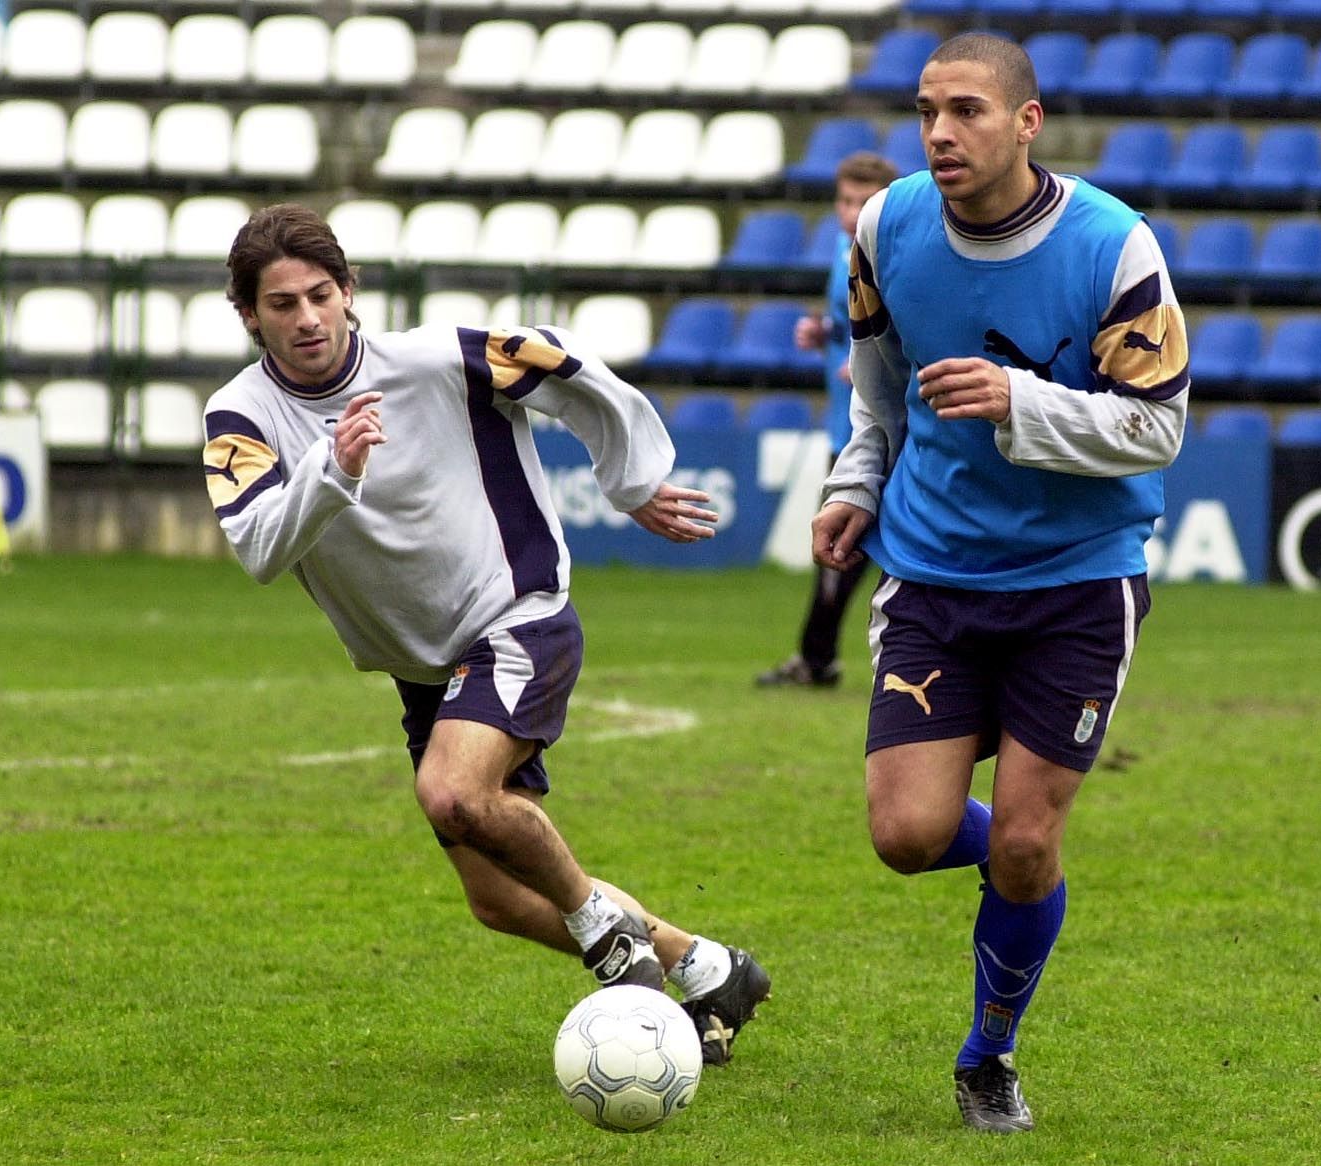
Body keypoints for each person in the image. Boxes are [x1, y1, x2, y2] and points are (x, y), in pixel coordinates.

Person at [201, 203, 770, 1065]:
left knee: (454, 795)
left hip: (516, 613)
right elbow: (258, 548)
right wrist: (334, 468)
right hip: (422, 667)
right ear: (249, 315)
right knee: (497, 900)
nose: (307, 318)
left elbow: (566, 365)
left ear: (350, 293)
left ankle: (609, 945)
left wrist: (633, 479)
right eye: (281, 304)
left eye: (321, 295)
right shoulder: (237, 416)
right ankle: (706, 966)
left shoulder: (438, 358)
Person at [811, 34, 1189, 1132]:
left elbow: (1159, 426)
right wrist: (855, 484)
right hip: (932, 569)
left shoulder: (1116, 246)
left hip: (1078, 579)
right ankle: (1034, 857)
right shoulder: (887, 227)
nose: (939, 133)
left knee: (1022, 839)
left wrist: (1020, 400)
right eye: (927, 110)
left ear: (1027, 122)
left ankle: (989, 1055)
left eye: (967, 110)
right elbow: (876, 397)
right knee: (906, 835)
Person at [758, 151, 898, 689]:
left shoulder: (889, 254)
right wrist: (823, 333)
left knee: (846, 545)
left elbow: (902, 328)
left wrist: (873, 361)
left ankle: (818, 658)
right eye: (844, 200)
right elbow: (850, 325)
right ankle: (817, 658)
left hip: (875, 428)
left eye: (862, 202)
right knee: (841, 549)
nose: (850, 211)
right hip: (844, 426)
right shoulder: (844, 249)